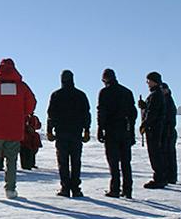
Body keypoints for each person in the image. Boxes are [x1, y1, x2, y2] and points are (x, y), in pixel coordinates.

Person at [0, 58, 36, 199]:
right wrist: (19, 114)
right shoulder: (22, 87)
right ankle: (10, 190)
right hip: (14, 130)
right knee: (11, 160)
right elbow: (31, 104)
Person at [47, 70, 91, 198]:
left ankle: (65, 188)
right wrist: (86, 129)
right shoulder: (80, 95)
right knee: (76, 161)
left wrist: (50, 130)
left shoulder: (56, 95)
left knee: (63, 162)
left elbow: (51, 115)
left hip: (62, 133)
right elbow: (86, 114)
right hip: (76, 133)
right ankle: (76, 189)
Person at [97, 68, 137, 198]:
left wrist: (100, 128)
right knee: (126, 161)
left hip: (111, 130)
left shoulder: (105, 92)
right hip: (125, 129)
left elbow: (101, 112)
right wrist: (131, 131)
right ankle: (128, 189)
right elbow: (133, 113)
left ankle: (115, 189)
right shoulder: (127, 92)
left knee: (113, 161)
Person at [140, 71, 170, 189]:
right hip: (156, 128)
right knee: (157, 153)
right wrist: (144, 106)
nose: (147, 83)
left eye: (148, 81)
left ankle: (159, 178)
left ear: (154, 81)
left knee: (155, 153)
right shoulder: (156, 94)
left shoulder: (156, 95)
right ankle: (161, 177)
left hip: (154, 129)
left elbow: (152, 113)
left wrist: (145, 124)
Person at [160, 80, 178, 184]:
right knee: (167, 154)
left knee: (169, 155)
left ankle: (171, 176)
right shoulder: (166, 100)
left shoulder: (168, 101)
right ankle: (170, 175)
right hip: (167, 131)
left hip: (168, 132)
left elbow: (169, 119)